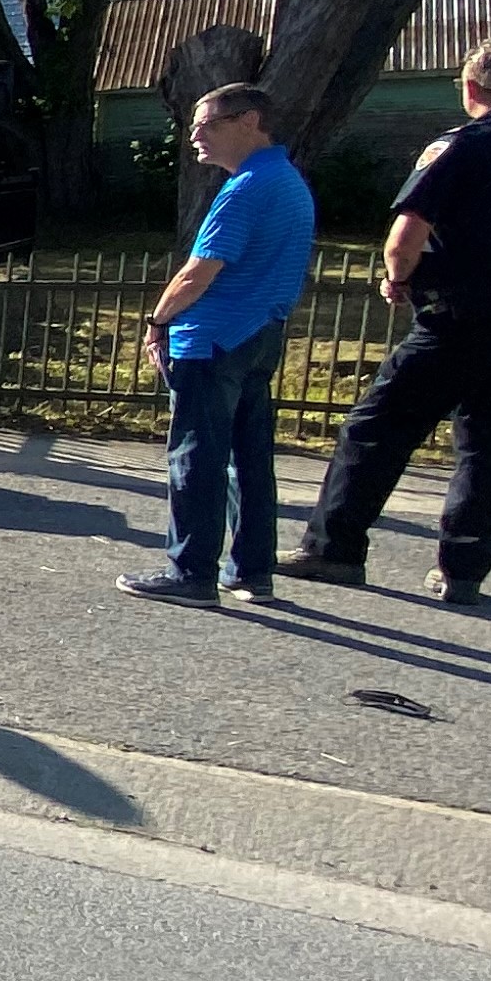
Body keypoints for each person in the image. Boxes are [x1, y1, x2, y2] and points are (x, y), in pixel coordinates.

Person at [277, 39, 491, 605]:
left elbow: (406, 234)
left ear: (470, 87)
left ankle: (333, 547)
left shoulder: (458, 146)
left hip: (463, 308)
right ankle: (463, 569)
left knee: (377, 426)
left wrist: (398, 277)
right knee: (486, 441)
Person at [119, 85, 316, 606]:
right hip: (259, 332)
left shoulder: (246, 188)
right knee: (248, 457)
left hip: (212, 338)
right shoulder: (289, 181)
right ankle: (251, 569)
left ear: (249, 121)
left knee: (196, 456)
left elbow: (198, 273)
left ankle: (192, 572)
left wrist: (158, 321)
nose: (194, 137)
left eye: (206, 124)